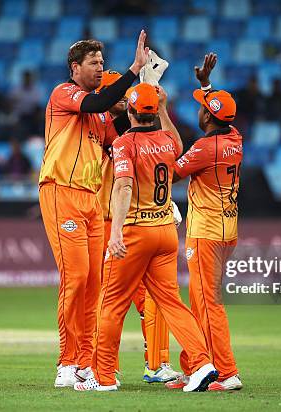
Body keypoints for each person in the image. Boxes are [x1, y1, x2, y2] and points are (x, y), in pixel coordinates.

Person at [74, 82, 217, 392]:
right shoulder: (166, 139)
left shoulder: (125, 143)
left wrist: (115, 232)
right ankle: (203, 362)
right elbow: (179, 146)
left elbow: (123, 187)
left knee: (111, 305)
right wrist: (165, 108)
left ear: (130, 109)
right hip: (166, 231)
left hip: (136, 233)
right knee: (172, 303)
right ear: (153, 112)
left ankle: (103, 378)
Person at [38, 32, 148, 388]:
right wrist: (133, 71)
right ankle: (66, 361)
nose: (101, 68)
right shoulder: (64, 94)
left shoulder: (100, 116)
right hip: (60, 192)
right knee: (76, 278)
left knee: (94, 283)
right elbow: (97, 103)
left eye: (102, 63)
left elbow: (123, 146)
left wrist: (146, 108)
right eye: (94, 64)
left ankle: (87, 360)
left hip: (89, 200)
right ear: (75, 68)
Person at [95, 70, 181, 384]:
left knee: (148, 301)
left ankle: (155, 364)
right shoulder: (103, 126)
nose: (123, 96)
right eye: (115, 92)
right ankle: (102, 368)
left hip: (131, 223)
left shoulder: (128, 129)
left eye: (124, 92)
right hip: (108, 221)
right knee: (106, 299)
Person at [165, 53, 243, 391]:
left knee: (207, 304)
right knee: (201, 301)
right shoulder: (234, 139)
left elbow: (168, 174)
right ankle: (198, 366)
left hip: (207, 232)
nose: (198, 110)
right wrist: (206, 85)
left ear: (208, 117)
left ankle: (227, 373)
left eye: (202, 106)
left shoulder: (204, 148)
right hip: (226, 230)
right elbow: (222, 115)